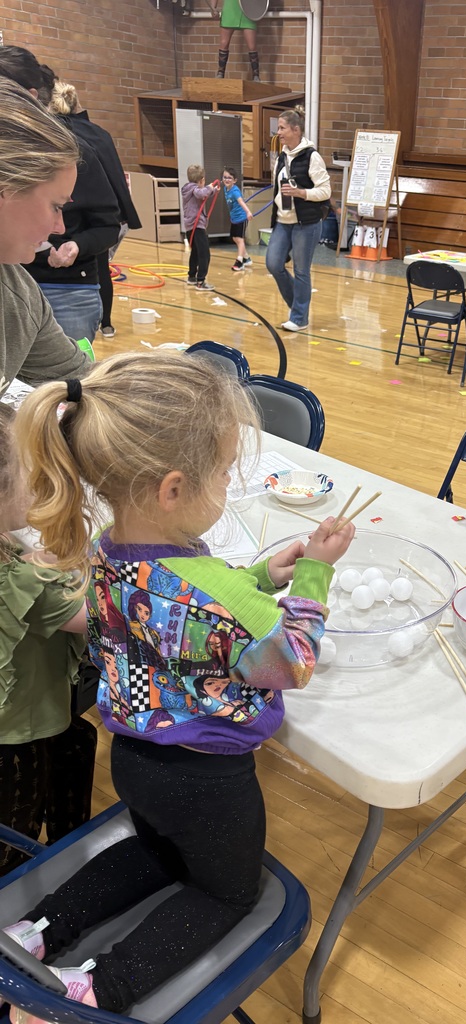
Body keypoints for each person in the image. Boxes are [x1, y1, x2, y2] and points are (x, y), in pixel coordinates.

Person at [1, 350, 355, 1020]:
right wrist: (315, 576)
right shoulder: (216, 592)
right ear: (171, 488)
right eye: (224, 473)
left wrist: (259, 579)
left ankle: (36, 931)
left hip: (135, 760)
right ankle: (99, 989)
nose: (226, 483)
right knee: (227, 893)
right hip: (210, 783)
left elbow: (178, 626)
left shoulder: (106, 545)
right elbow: (292, 663)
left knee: (156, 851)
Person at [0, 403, 94, 876]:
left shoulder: (13, 553)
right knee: (14, 835)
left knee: (77, 743)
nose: (37, 483)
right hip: (16, 737)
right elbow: (104, 620)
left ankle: (62, 863)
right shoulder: (22, 579)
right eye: (30, 472)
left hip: (27, 719)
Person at [0, 46, 120, 345]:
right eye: (55, 207)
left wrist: (76, 246)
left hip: (65, 289)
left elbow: (68, 375)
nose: (59, 227)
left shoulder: (72, 152)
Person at [0, 78, 90, 387]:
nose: (60, 228)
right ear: (6, 189)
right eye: (56, 206)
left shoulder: (17, 291)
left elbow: (81, 382)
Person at [49, 80, 142, 340]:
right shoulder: (96, 133)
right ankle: (107, 323)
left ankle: (106, 321)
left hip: (87, 237)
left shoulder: (79, 143)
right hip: (93, 228)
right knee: (101, 266)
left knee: (99, 265)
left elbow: (106, 223)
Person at [265, 108, 331, 332]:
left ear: (296, 129)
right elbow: (278, 189)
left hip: (307, 223)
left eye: (282, 128)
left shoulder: (312, 156)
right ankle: (297, 307)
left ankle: (300, 318)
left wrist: (303, 193)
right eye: (279, 128)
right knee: (274, 263)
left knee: (302, 270)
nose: (278, 133)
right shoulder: (281, 156)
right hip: (283, 221)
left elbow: (325, 191)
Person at [181, 164, 219, 291]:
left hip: (191, 227)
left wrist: (213, 190)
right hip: (197, 226)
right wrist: (209, 187)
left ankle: (192, 276)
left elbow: (204, 195)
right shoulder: (194, 189)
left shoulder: (189, 189)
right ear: (201, 180)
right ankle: (201, 281)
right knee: (204, 254)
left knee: (196, 252)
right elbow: (201, 193)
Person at [215, 0, 260, 82]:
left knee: (252, 46)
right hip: (230, 10)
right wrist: (213, 8)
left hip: (248, 11)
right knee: (224, 43)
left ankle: (256, 75)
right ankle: (220, 73)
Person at [221, 166, 253, 271]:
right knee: (235, 238)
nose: (226, 179)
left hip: (241, 218)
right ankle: (247, 258)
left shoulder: (235, 191)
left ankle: (239, 261)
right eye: (225, 177)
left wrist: (248, 212)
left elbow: (241, 202)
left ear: (235, 180)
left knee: (239, 239)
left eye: (229, 178)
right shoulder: (225, 189)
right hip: (234, 218)